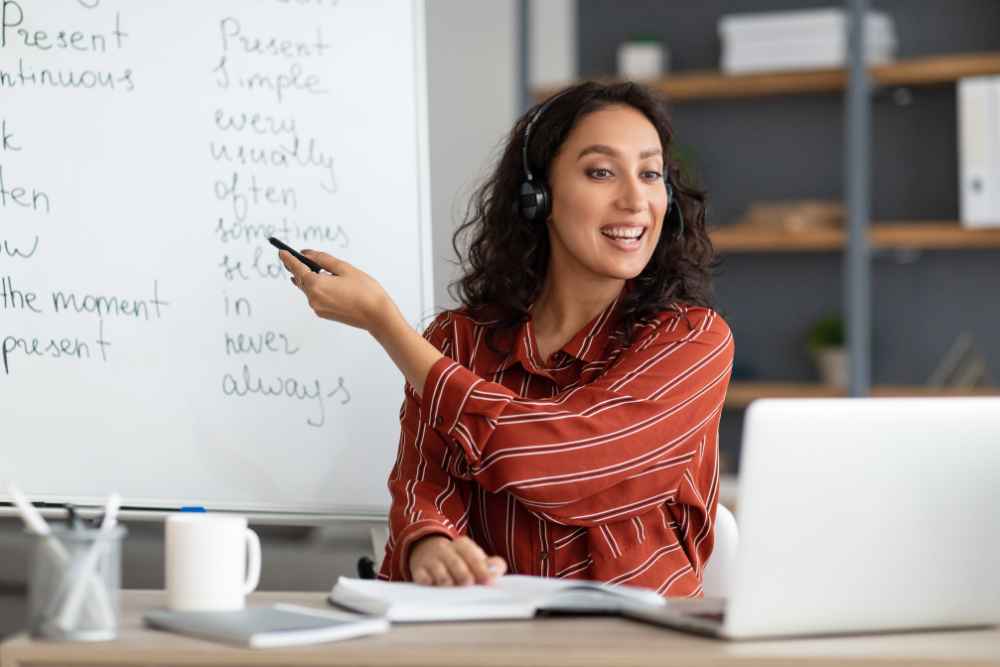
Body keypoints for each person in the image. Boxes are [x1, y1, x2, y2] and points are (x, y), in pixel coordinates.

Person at [278, 81, 734, 598]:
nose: (634, 200)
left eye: (650, 174)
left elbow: (569, 463)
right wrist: (430, 545)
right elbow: (424, 490)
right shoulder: (458, 340)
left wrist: (388, 327)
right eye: (601, 172)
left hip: (638, 641)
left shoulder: (692, 341)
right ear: (537, 196)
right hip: (491, 636)